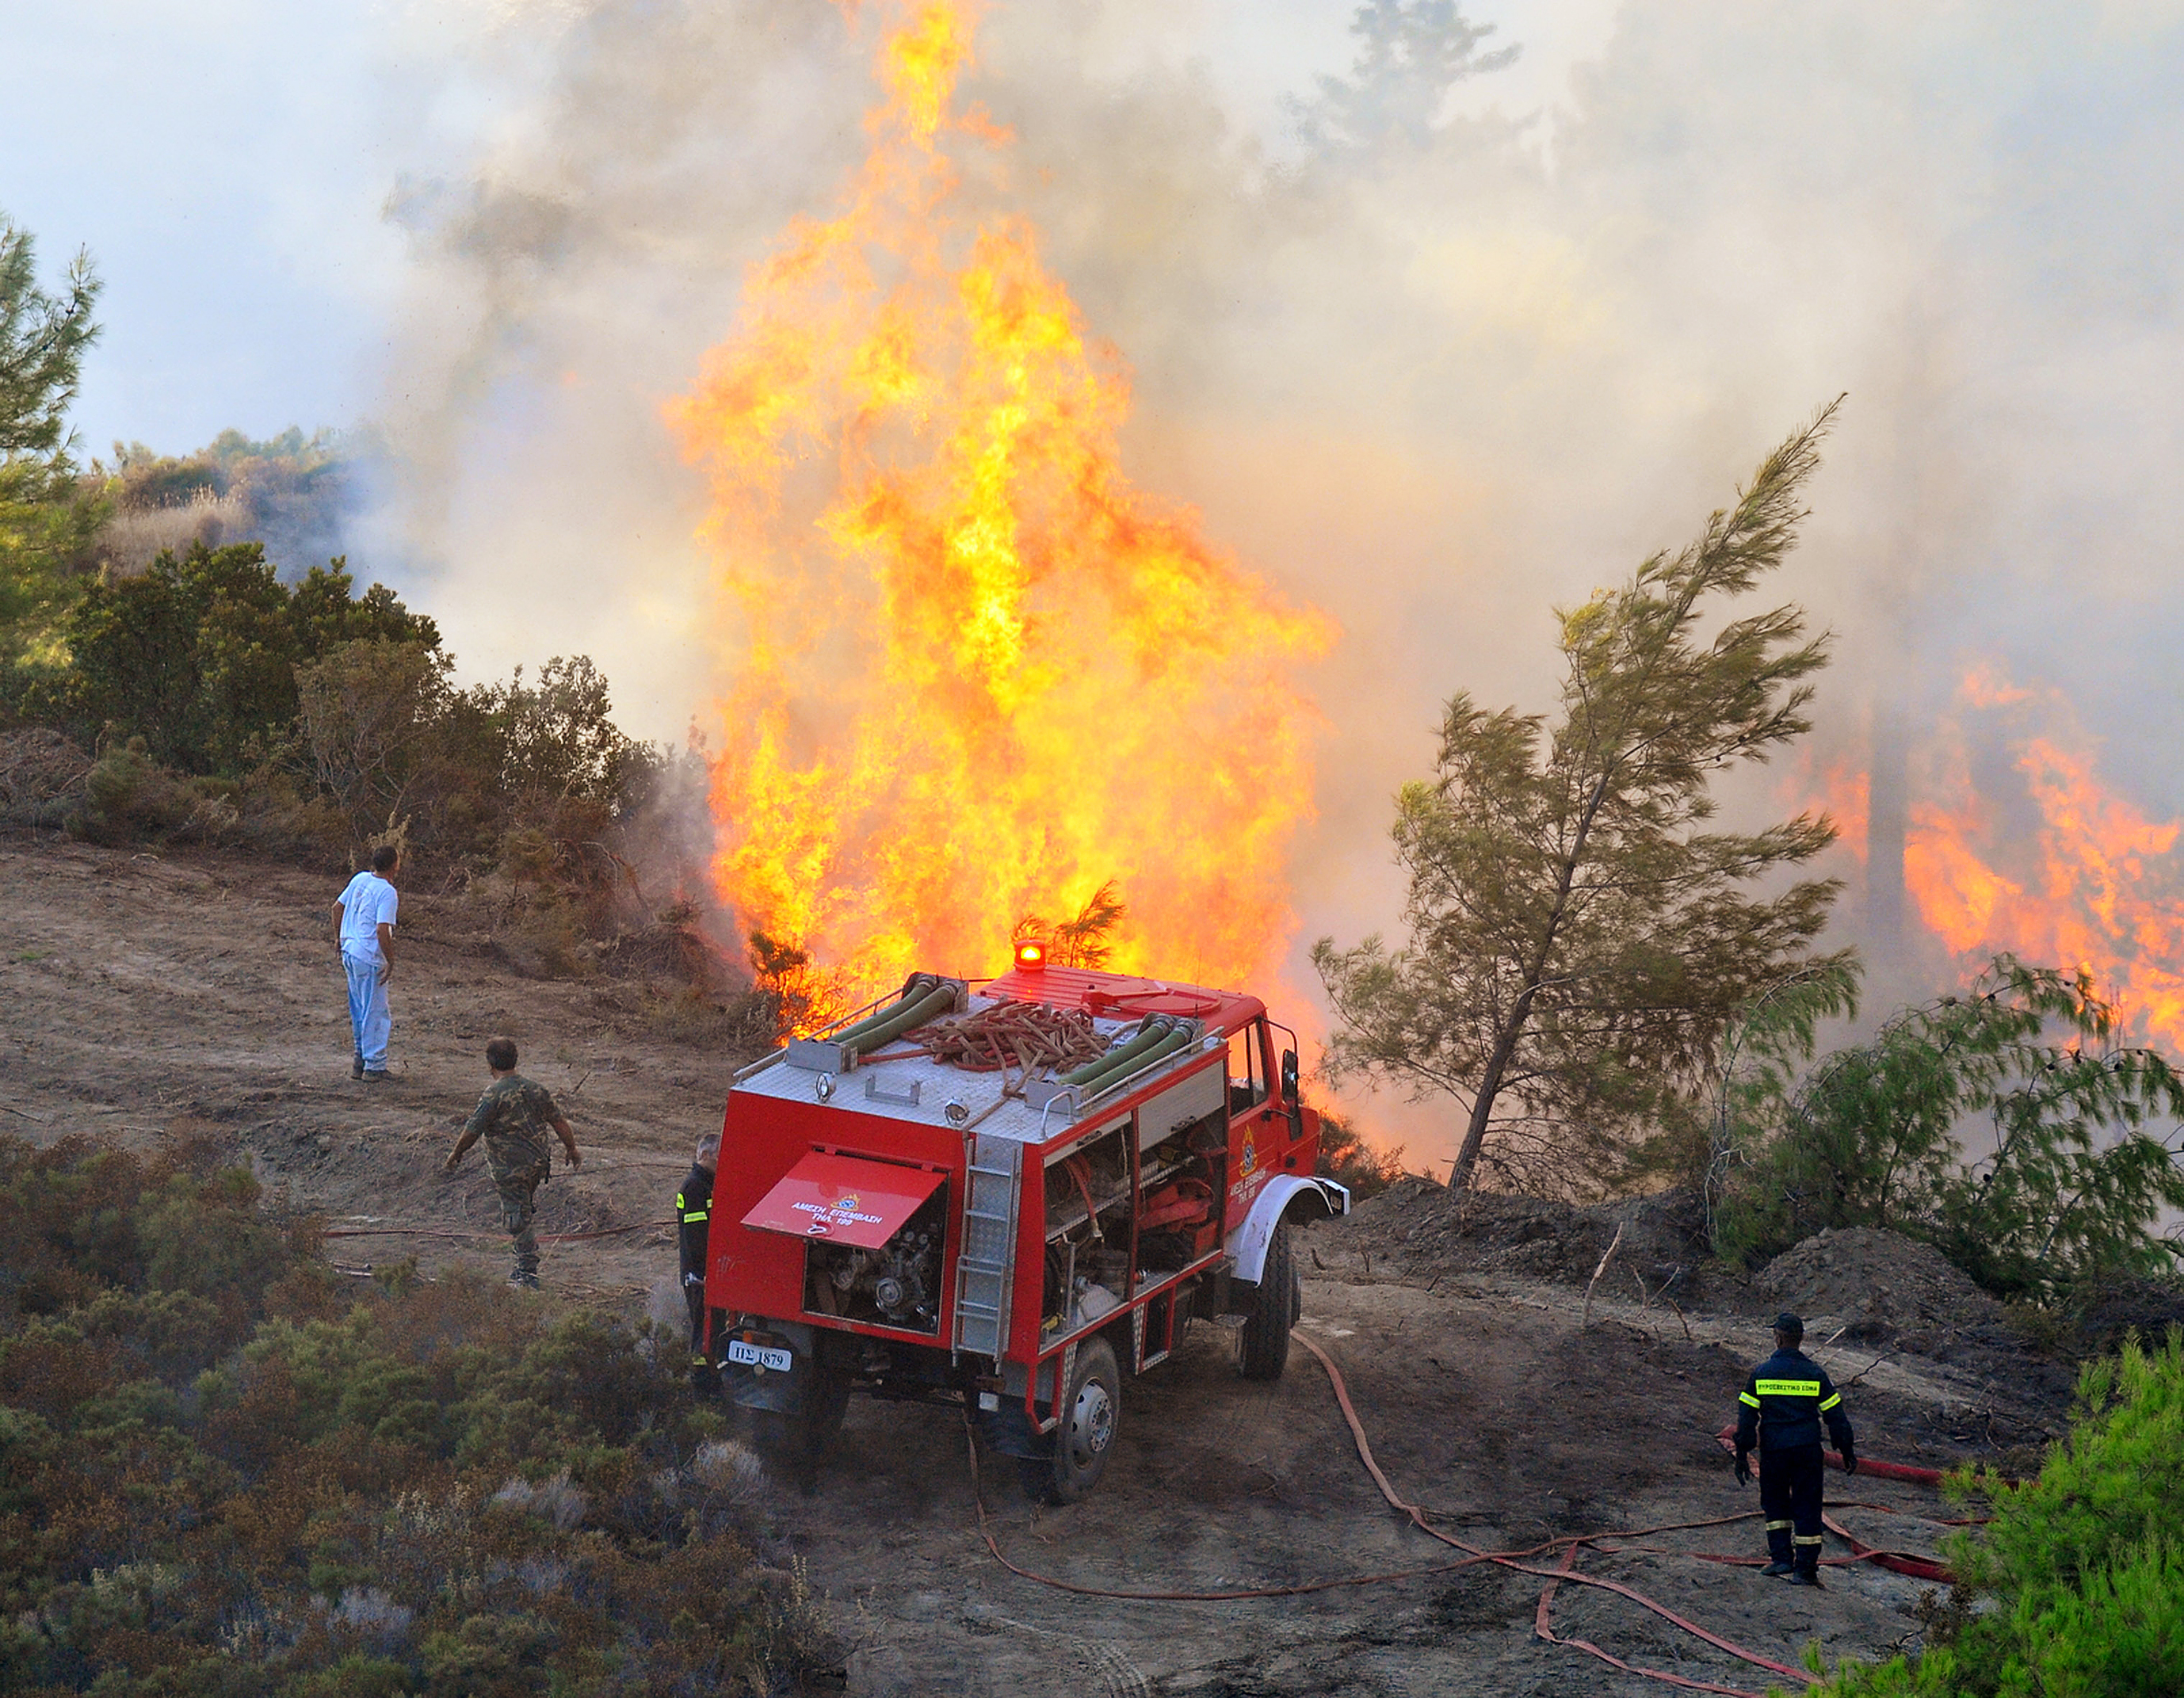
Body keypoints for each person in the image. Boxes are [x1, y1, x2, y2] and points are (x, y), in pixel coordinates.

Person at [442, 1038, 582, 1289]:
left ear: (490, 1064)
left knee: (517, 1218)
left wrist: (456, 1153)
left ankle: (527, 1273)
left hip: (509, 1168)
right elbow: (558, 1121)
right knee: (522, 1209)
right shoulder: (535, 1089)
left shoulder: (494, 1094)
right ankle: (524, 1265)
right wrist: (571, 1148)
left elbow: (472, 1130)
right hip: (538, 1163)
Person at [1734, 1311, 1857, 1586]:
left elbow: (1746, 1419)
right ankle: (1805, 1570)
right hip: (1806, 1451)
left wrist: (1742, 1453)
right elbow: (1835, 1416)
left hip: (1774, 1451)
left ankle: (1781, 1559)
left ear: (1777, 1337)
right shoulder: (1815, 1374)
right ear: (1800, 1340)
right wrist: (1847, 1449)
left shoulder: (1761, 1373)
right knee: (1807, 1505)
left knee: (1775, 1502)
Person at [333, 845, 401, 1081]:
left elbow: (337, 907)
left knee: (359, 1008)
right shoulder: (387, 892)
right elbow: (383, 929)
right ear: (395, 865)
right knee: (375, 1010)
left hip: (350, 950)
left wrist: (338, 937)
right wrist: (390, 960)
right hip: (368, 956)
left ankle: (360, 1059)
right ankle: (375, 1065)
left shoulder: (360, 879)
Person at [678, 1135, 720, 1391]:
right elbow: (695, 1237)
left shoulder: (706, 1185)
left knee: (711, 1330)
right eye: (718, 1156)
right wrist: (704, 1273)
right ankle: (701, 1386)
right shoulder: (695, 1188)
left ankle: (708, 1380)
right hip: (698, 1275)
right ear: (705, 1156)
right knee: (702, 1332)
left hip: (705, 1272)